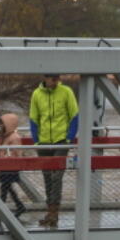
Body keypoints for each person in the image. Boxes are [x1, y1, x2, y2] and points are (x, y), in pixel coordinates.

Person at [29, 74, 78, 228]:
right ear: (46, 78)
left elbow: (74, 116)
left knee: (57, 176)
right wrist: (37, 140)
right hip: (43, 142)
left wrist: (69, 138)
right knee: (47, 177)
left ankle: (53, 213)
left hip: (61, 141)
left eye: (57, 78)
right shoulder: (37, 94)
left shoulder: (66, 92)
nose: (56, 80)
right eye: (53, 78)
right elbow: (33, 118)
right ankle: (50, 212)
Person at [0, 112, 27, 219]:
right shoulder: (5, 137)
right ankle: (19, 205)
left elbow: (16, 152)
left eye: (2, 124)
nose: (0, 126)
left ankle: (0, 211)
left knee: (5, 188)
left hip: (10, 166)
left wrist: (5, 157)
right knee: (7, 187)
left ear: (9, 124)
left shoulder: (14, 137)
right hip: (4, 166)